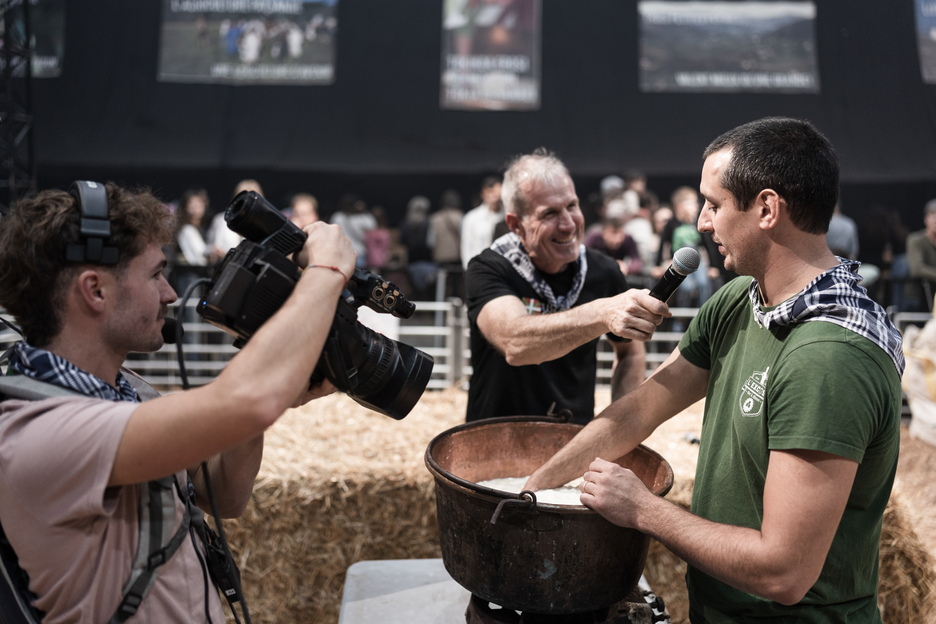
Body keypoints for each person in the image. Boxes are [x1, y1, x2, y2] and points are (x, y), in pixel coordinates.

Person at [526, 118, 905, 622]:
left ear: (767, 208)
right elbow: (641, 409)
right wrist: (532, 487)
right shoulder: (739, 300)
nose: (703, 223)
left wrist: (643, 510)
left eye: (714, 204)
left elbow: (783, 573)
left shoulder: (829, 359)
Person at [0, 183, 357, 622]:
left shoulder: (124, 391)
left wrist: (269, 394)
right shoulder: (42, 431)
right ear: (94, 290)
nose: (170, 293)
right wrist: (328, 269)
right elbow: (247, 401)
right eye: (154, 274)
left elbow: (224, 496)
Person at [464, 148, 669, 424]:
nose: (568, 225)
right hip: (495, 439)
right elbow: (514, 342)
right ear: (516, 224)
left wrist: (619, 425)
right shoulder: (489, 268)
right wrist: (602, 313)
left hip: (572, 438)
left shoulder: (603, 271)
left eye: (572, 206)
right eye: (549, 213)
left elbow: (630, 351)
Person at [460, 176, 504, 270]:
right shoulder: (471, 218)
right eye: (490, 192)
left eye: (496, 192)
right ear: (483, 193)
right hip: (479, 269)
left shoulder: (507, 217)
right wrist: (469, 271)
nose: (494, 197)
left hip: (503, 269)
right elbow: (466, 248)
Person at [905, 198, 936, 311]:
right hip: (917, 297)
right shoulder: (915, 240)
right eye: (932, 214)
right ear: (925, 219)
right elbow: (917, 269)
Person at [331, 194, 376, 269]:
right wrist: (364, 211)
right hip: (358, 251)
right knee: (359, 277)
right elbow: (373, 225)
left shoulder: (337, 217)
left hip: (343, 251)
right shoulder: (361, 218)